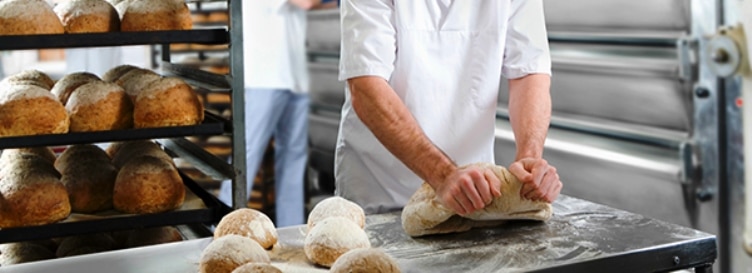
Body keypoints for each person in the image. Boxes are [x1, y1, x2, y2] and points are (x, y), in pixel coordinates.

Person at [335, 0, 563, 215]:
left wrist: (529, 159)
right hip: (380, 189)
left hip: (474, 194)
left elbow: (529, 72)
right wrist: (442, 175)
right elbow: (366, 88)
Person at [218, 0, 329, 227]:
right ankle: (222, 226)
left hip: (295, 75)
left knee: (293, 157)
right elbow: (306, 3)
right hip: (265, 75)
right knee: (247, 152)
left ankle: (291, 229)